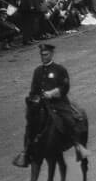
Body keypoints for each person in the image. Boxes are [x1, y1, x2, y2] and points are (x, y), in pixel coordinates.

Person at [15, 41, 86, 169]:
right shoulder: (37, 71)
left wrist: (53, 93)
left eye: (46, 54)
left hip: (58, 102)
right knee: (30, 124)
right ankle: (26, 152)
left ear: (52, 54)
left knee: (69, 119)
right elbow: (33, 89)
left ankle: (78, 146)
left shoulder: (59, 69)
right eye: (42, 55)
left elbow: (65, 87)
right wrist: (34, 98)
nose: (44, 57)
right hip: (42, 103)